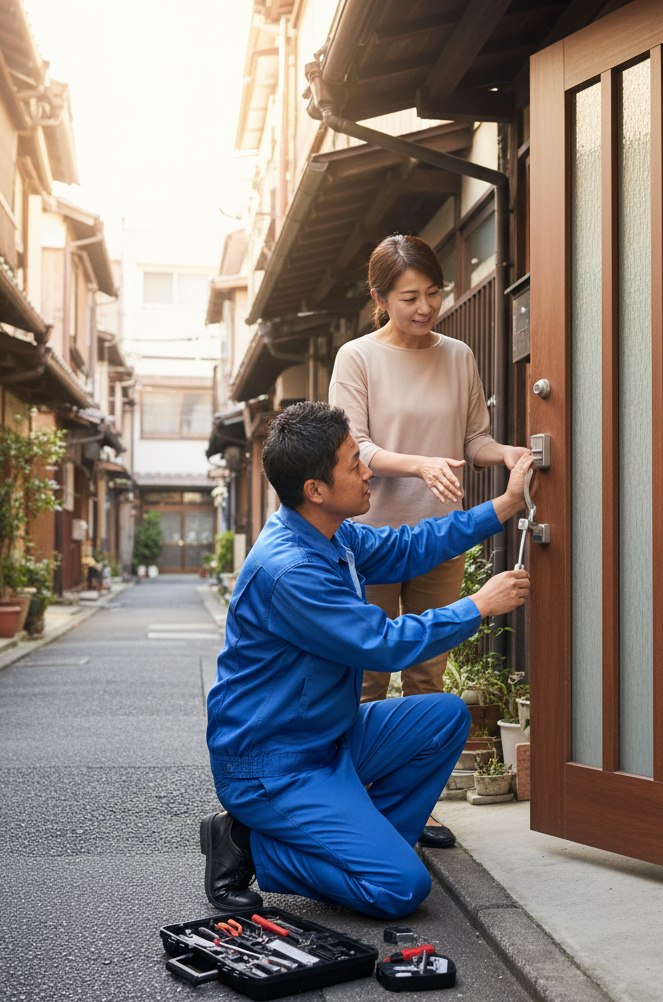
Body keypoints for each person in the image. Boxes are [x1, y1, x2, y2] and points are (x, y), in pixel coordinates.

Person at [201, 401, 532, 920]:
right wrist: (478, 605)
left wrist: (506, 506)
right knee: (400, 890)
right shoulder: (292, 571)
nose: (367, 470)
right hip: (273, 765)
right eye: (354, 463)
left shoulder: (330, 533)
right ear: (315, 490)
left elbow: (409, 546)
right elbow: (383, 643)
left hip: (326, 738)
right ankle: (246, 844)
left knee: (443, 717)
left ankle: (368, 846)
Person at [328, 234, 526, 847]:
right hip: (372, 539)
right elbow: (354, 447)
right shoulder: (357, 357)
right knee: (365, 675)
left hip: (441, 536)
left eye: (434, 293)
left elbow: (472, 442)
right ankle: (351, 803)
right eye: (410, 296)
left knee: (427, 673)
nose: (425, 307)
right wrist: (418, 464)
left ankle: (418, 808)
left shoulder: (459, 354)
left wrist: (511, 454)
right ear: (380, 298)